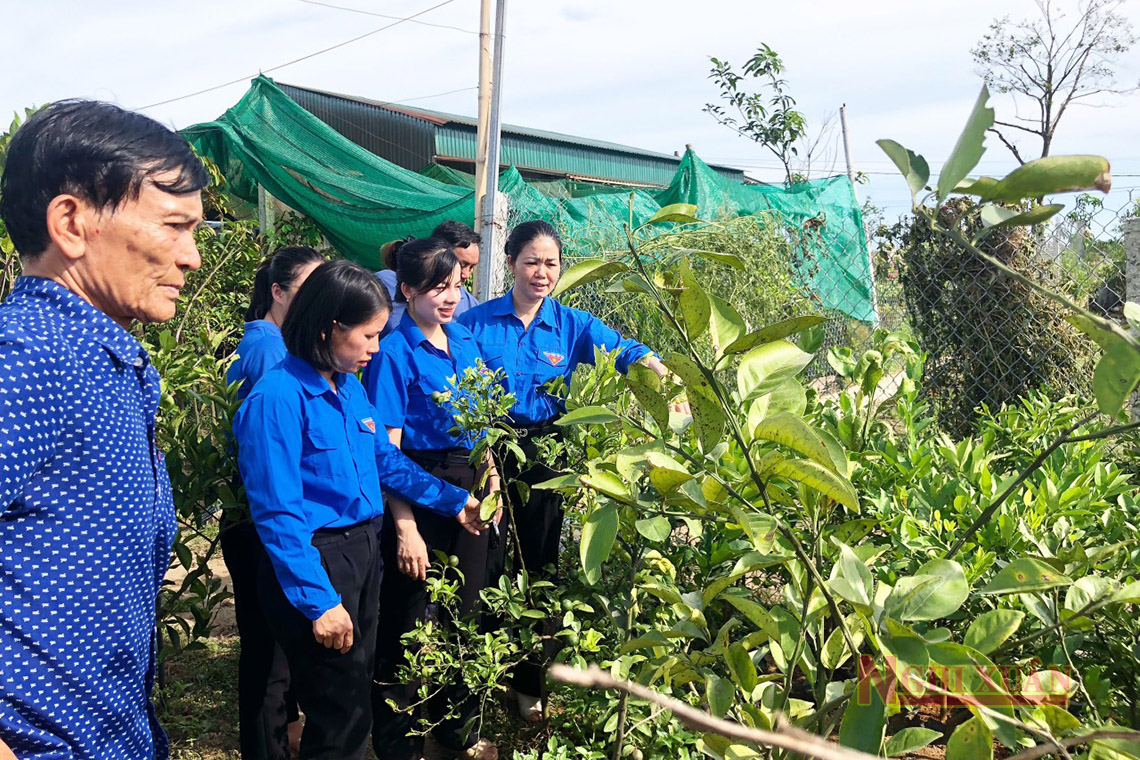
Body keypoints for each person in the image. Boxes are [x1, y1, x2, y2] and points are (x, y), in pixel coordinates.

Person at [0, 100, 207, 759]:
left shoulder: (107, 362)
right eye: (174, 227)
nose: (192, 257)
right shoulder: (28, 361)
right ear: (72, 222)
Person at [234, 259, 485, 760]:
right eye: (368, 336)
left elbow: (385, 461)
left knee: (353, 698)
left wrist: (456, 500)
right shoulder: (278, 397)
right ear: (330, 328)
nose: (376, 346)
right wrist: (319, 601)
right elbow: (279, 515)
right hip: (319, 562)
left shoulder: (345, 385)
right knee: (340, 711)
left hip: (363, 550)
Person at [458, 220, 674, 722]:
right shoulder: (476, 323)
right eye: (531, 261)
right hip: (486, 451)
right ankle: (477, 682)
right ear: (510, 262)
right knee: (483, 567)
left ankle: (528, 685)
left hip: (545, 456)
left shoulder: (573, 325)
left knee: (540, 571)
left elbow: (626, 351)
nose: (542, 272)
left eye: (551, 263)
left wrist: (664, 372)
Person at [363, 237, 499, 760]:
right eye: (438, 287)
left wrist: (492, 485)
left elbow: (485, 425)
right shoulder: (394, 353)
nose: (450, 296)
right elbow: (389, 456)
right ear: (407, 290)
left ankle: (456, 730)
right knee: (407, 617)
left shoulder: (464, 342)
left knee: (466, 612)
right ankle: (397, 740)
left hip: (471, 488)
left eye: (455, 284)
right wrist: (406, 527)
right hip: (420, 488)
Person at [223, 245, 323, 759]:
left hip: (261, 515)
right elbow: (271, 452)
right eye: (308, 289)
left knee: (278, 644)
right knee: (268, 651)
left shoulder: (283, 342)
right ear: (278, 292)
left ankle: (282, 733)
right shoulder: (268, 350)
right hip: (260, 518)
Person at [376, 220, 479, 336]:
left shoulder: (470, 306)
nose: (466, 274)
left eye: (471, 267)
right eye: (440, 288)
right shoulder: (384, 283)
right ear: (407, 290)